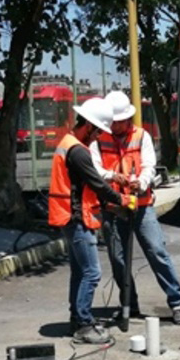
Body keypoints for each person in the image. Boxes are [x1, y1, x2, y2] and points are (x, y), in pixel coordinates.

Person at [91, 91, 180, 325]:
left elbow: (149, 166)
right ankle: (129, 304)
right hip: (114, 207)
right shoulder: (99, 138)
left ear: (128, 119)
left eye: (120, 121)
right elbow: (95, 169)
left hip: (142, 206)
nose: (116, 126)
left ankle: (177, 302)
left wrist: (141, 182)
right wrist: (114, 176)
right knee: (118, 259)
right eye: (113, 122)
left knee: (157, 252)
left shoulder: (141, 136)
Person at [48, 97, 127, 344]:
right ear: (89, 126)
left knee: (79, 272)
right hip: (76, 219)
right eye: (97, 132)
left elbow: (83, 186)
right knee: (92, 272)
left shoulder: (68, 143)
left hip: (68, 216)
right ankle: (83, 324)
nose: (98, 137)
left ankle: (77, 318)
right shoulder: (79, 151)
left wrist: (108, 204)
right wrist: (122, 199)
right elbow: (97, 183)